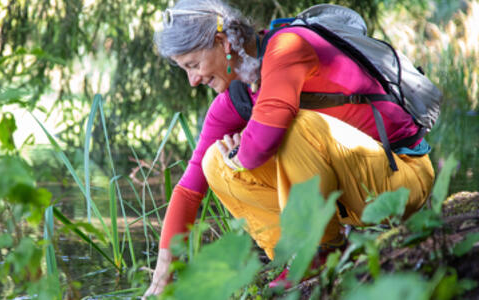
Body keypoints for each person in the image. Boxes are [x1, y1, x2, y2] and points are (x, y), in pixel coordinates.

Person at [144, 0, 435, 296]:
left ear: (222, 42)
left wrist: (241, 149)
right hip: (352, 193)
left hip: (399, 179)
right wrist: (161, 280)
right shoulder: (236, 99)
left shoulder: (288, 47)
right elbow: (189, 189)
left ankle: (314, 253)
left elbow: (261, 144)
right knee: (213, 161)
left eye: (193, 65)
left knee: (294, 126)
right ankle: (303, 256)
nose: (193, 80)